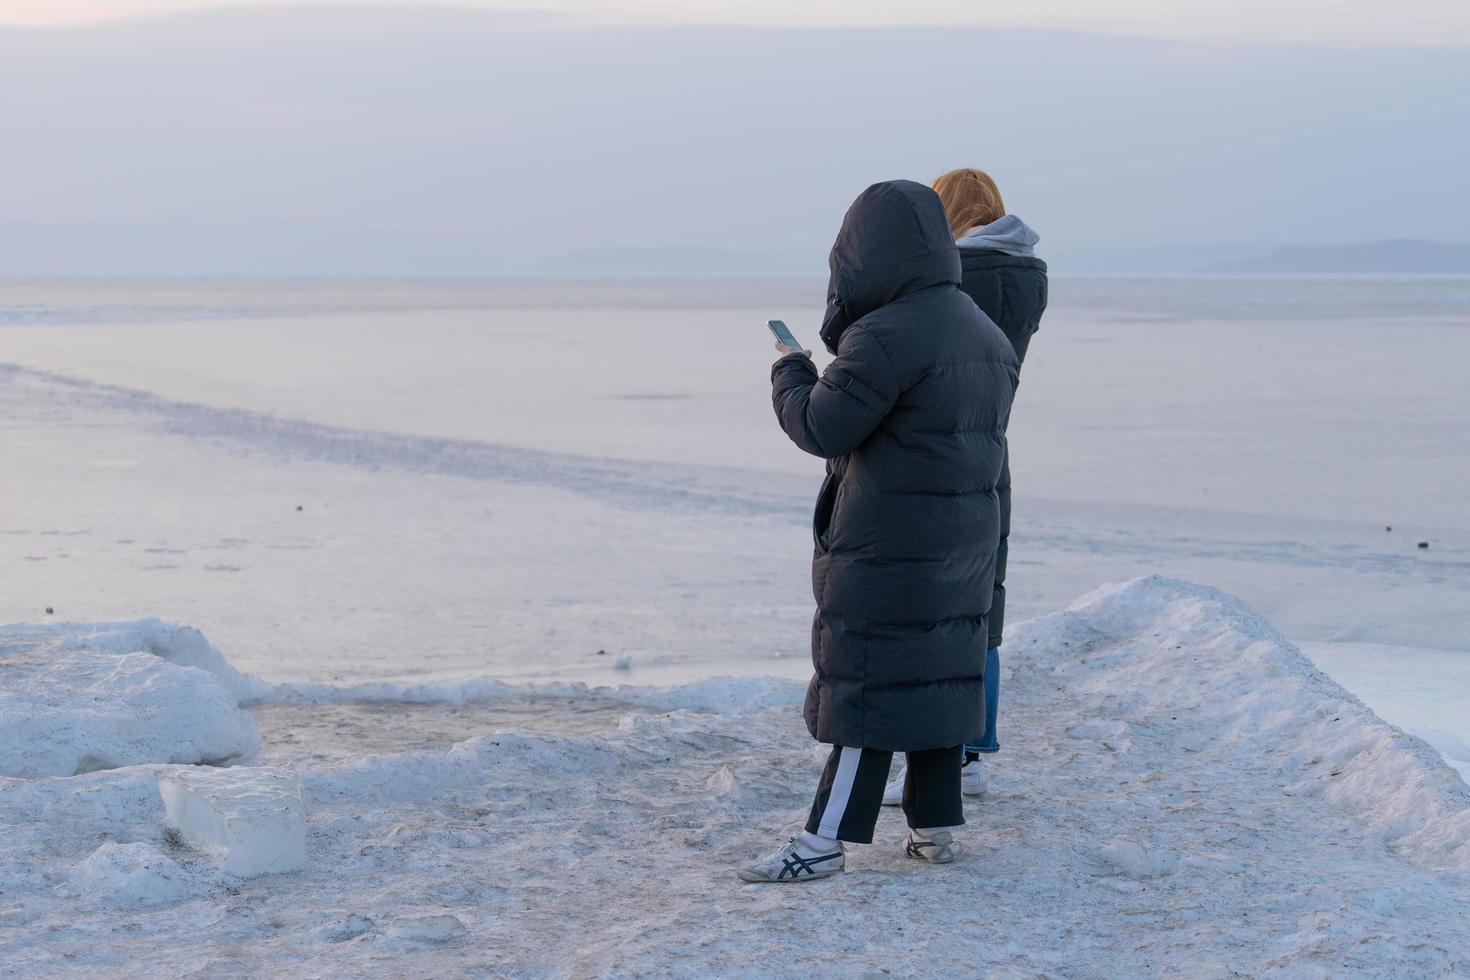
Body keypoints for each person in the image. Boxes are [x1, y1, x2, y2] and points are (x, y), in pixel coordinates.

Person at [738, 180, 1018, 882]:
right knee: (936, 678)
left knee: (869, 684)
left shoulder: (888, 333)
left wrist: (790, 370)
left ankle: (821, 844)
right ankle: (933, 831)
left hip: (890, 540)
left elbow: (821, 425)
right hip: (962, 535)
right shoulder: (979, 327)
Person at [881, 167, 1048, 806]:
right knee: (982, 607)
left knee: (931, 610)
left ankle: (935, 760)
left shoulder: (951, 280)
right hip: (991, 444)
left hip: (936, 451)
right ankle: (974, 753)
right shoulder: (1028, 275)